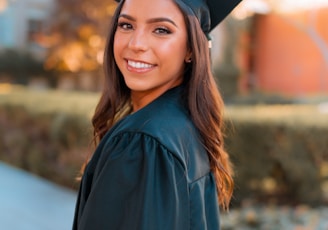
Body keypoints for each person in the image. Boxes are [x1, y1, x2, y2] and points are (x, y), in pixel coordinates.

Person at [72, 0, 242, 229]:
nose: (136, 43)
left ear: (191, 49)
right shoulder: (186, 126)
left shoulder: (142, 142)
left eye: (161, 30)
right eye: (126, 25)